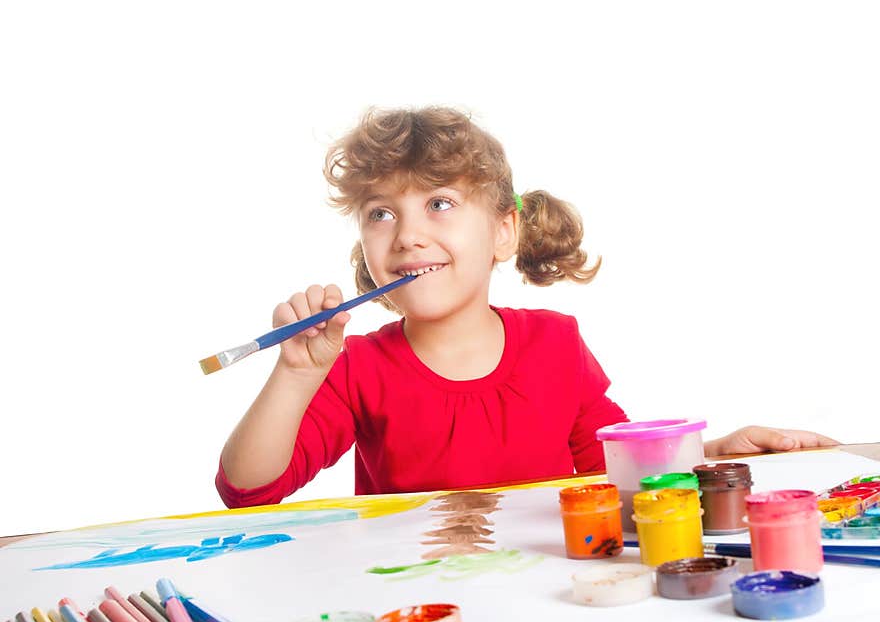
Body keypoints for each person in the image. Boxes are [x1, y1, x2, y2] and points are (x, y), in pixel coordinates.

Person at [215, 106, 839, 508]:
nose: (406, 234)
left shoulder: (555, 344)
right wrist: (296, 374)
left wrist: (721, 452)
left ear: (505, 232)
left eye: (439, 204)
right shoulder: (354, 367)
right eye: (381, 213)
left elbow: (617, 469)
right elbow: (249, 490)